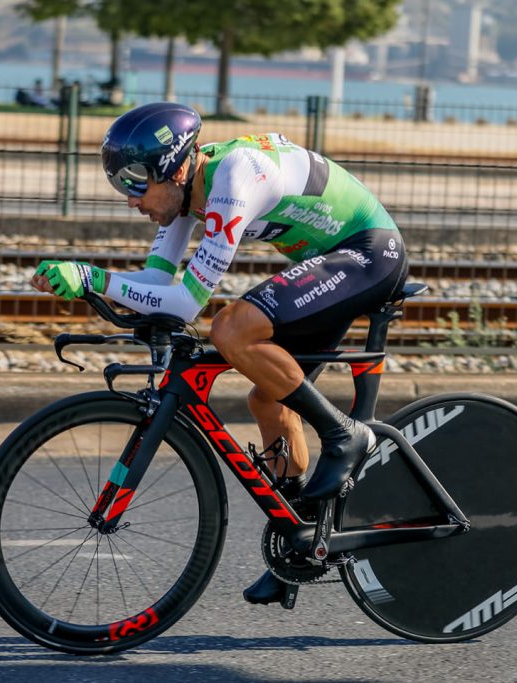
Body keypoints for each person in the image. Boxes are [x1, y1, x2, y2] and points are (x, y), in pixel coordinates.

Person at [30, 102, 409, 606]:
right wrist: (89, 283)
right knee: (267, 399)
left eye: (137, 183)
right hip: (331, 261)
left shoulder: (235, 176)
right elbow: (154, 282)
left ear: (177, 167)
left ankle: (345, 435)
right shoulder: (188, 194)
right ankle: (300, 542)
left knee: (231, 326)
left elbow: (188, 301)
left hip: (369, 253)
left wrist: (95, 278)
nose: (131, 199)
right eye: (122, 184)